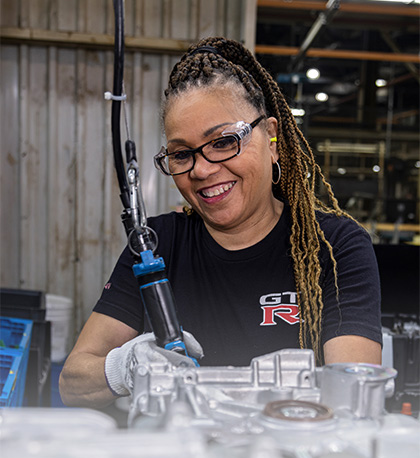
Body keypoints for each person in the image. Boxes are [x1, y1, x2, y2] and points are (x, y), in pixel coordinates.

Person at [60, 36, 382, 408]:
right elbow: (72, 381)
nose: (202, 169)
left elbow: (354, 397)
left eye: (224, 141)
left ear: (273, 138)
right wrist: (124, 368)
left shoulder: (332, 246)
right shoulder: (158, 243)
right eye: (181, 154)